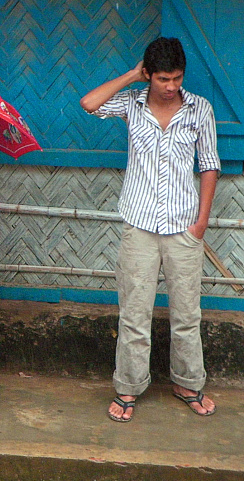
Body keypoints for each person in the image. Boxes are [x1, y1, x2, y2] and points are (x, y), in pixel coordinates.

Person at [79, 36, 220, 422]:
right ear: (149, 75)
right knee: (134, 313)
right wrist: (131, 76)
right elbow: (89, 104)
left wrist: (201, 223)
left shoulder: (199, 110)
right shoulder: (131, 103)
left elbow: (209, 164)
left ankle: (188, 382)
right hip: (139, 225)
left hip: (183, 227)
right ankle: (128, 388)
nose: (171, 86)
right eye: (162, 78)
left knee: (187, 313)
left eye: (176, 78)